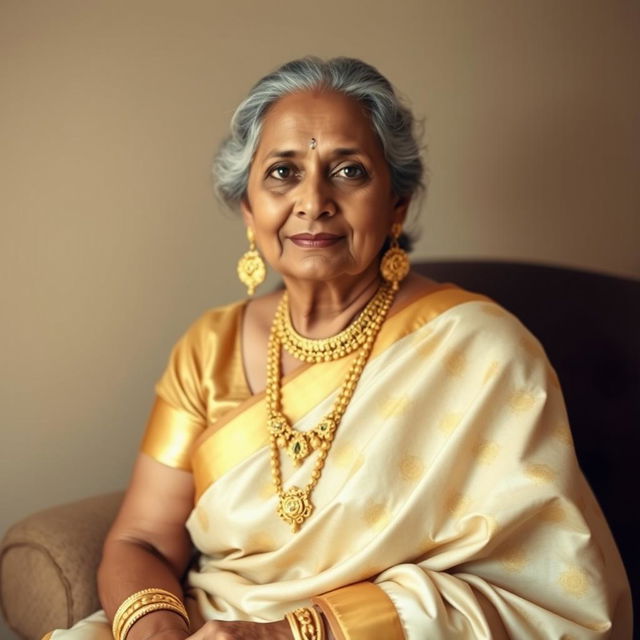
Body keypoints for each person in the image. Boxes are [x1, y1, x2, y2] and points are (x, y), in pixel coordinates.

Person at [44, 56, 632, 640]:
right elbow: (140, 539)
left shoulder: (485, 350)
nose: (313, 200)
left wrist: (287, 635)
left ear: (396, 205)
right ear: (248, 209)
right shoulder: (210, 347)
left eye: (348, 171)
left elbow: (546, 590)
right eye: (282, 172)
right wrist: (158, 632)